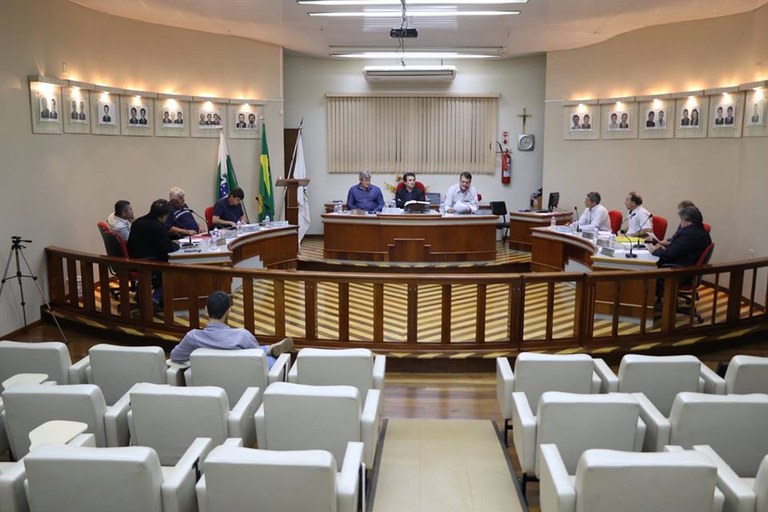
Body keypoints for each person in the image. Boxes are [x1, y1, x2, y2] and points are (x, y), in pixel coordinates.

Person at [170, 291, 293, 365]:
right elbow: (256, 356)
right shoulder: (242, 335)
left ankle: (268, 349)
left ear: (206, 310)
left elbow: (175, 357)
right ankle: (268, 350)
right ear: (229, 311)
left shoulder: (193, 337)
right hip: (244, 379)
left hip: (208, 384)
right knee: (270, 359)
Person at [647, 205, 711, 303]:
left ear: (688, 221)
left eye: (681, 220)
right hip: (688, 269)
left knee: (644, 272)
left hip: (679, 273)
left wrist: (654, 251)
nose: (680, 224)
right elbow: (678, 249)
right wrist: (663, 248)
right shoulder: (701, 231)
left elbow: (669, 255)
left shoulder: (688, 234)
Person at [127, 199, 180, 307]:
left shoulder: (138, 222)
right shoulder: (158, 227)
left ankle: (142, 293)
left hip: (134, 259)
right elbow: (168, 249)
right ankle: (155, 298)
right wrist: (176, 245)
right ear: (164, 216)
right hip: (150, 262)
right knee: (175, 269)